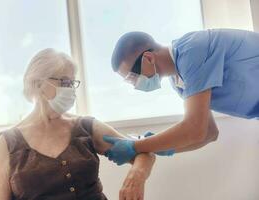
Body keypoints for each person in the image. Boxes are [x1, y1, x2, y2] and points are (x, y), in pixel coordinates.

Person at [0, 48, 155, 200]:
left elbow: (144, 153)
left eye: (72, 83)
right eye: (64, 82)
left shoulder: (86, 127)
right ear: (38, 83)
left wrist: (136, 176)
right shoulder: (9, 142)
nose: (70, 89)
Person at [103, 29, 259, 165]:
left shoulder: (193, 50)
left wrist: (135, 146)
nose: (134, 85)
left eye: (132, 77)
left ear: (149, 58)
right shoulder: (179, 82)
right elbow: (208, 133)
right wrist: (160, 146)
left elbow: (195, 129)